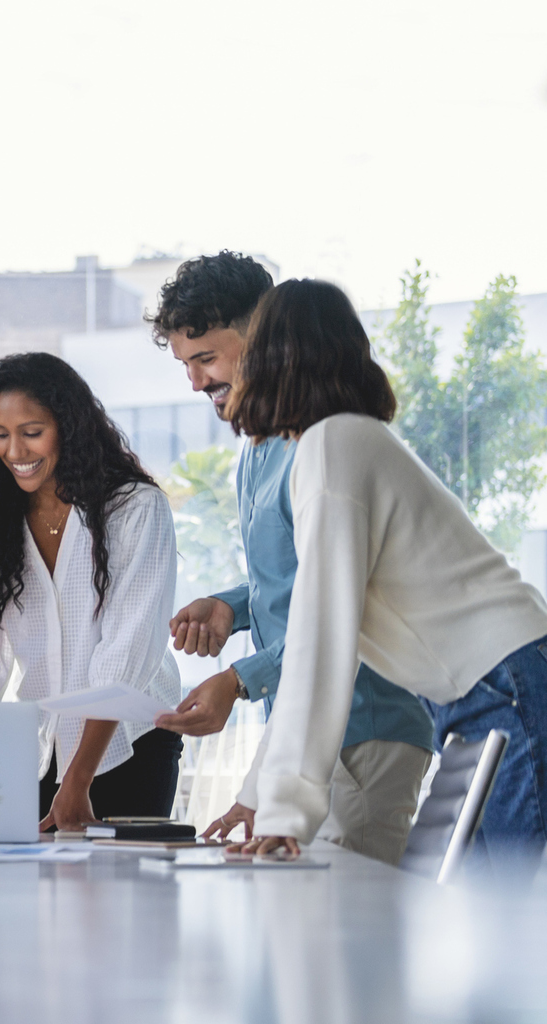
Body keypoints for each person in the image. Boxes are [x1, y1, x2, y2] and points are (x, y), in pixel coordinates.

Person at [216, 279, 547, 874]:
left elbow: (320, 639)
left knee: (508, 917)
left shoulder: (333, 446)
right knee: (476, 914)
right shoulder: (346, 440)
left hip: (504, 683)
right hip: (491, 688)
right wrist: (272, 799)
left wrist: (284, 814)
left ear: (268, 359)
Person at [149, 252, 435, 866]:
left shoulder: (328, 443)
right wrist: (231, 607)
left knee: (344, 936)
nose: (196, 382)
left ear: (266, 336)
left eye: (207, 358)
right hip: (307, 734)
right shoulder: (257, 447)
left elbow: (339, 608)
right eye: (185, 365)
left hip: (363, 730)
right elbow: (297, 582)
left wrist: (238, 679)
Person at [0, 353, 183, 829]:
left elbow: (124, 657)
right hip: (40, 751)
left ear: (68, 427)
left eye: (32, 432)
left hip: (129, 744)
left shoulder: (135, 509)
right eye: (0, 434)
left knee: (122, 896)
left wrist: (77, 782)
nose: (15, 451)